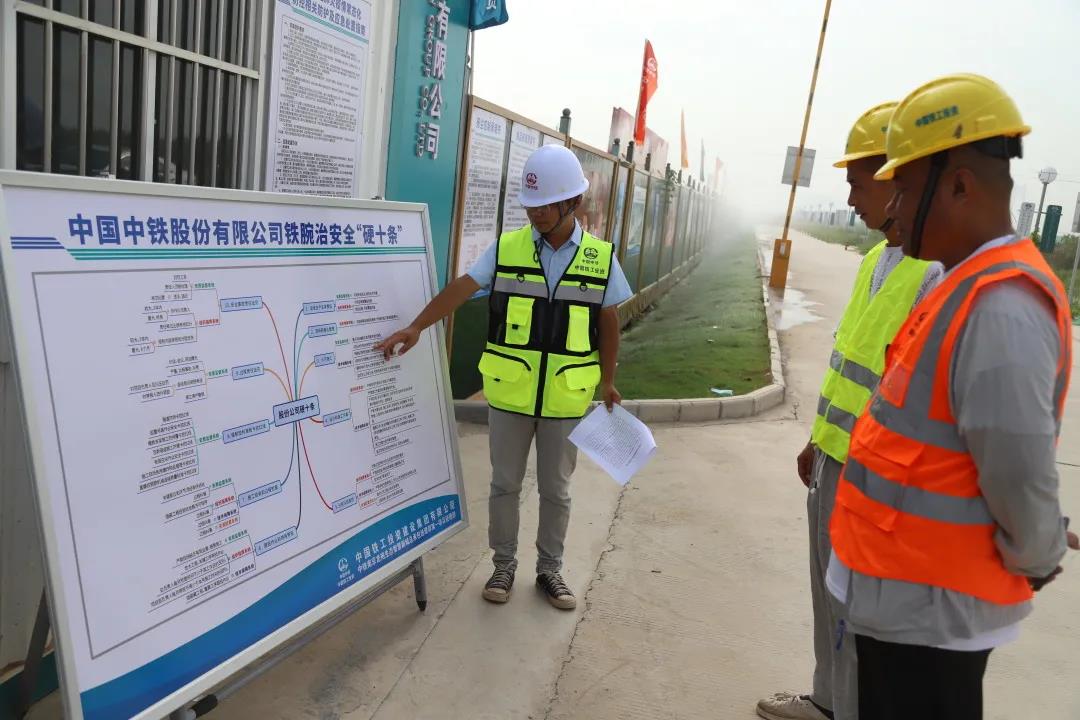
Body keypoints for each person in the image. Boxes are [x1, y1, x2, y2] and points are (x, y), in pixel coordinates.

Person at [828, 73, 1079, 720]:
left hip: (933, 614)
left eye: (905, 190)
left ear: (960, 186)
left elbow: (1018, 468)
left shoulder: (1001, 305)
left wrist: (1038, 552)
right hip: (905, 599)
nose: (892, 208)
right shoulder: (958, 283)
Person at [375, 144, 632, 610]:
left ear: (572, 202)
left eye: (545, 205)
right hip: (510, 394)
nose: (535, 213)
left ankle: (550, 570)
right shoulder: (508, 248)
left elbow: (608, 320)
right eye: (531, 205)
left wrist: (607, 380)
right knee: (504, 485)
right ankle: (503, 565)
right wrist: (417, 326)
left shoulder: (600, 257)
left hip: (565, 398)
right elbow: (464, 287)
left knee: (556, 491)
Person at [757, 102, 942, 720]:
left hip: (879, 479)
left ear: (898, 181)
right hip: (835, 462)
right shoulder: (873, 263)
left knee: (862, 614)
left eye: (859, 183)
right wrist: (817, 439)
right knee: (828, 597)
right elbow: (851, 369)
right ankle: (827, 700)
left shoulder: (933, 276)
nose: (851, 197)